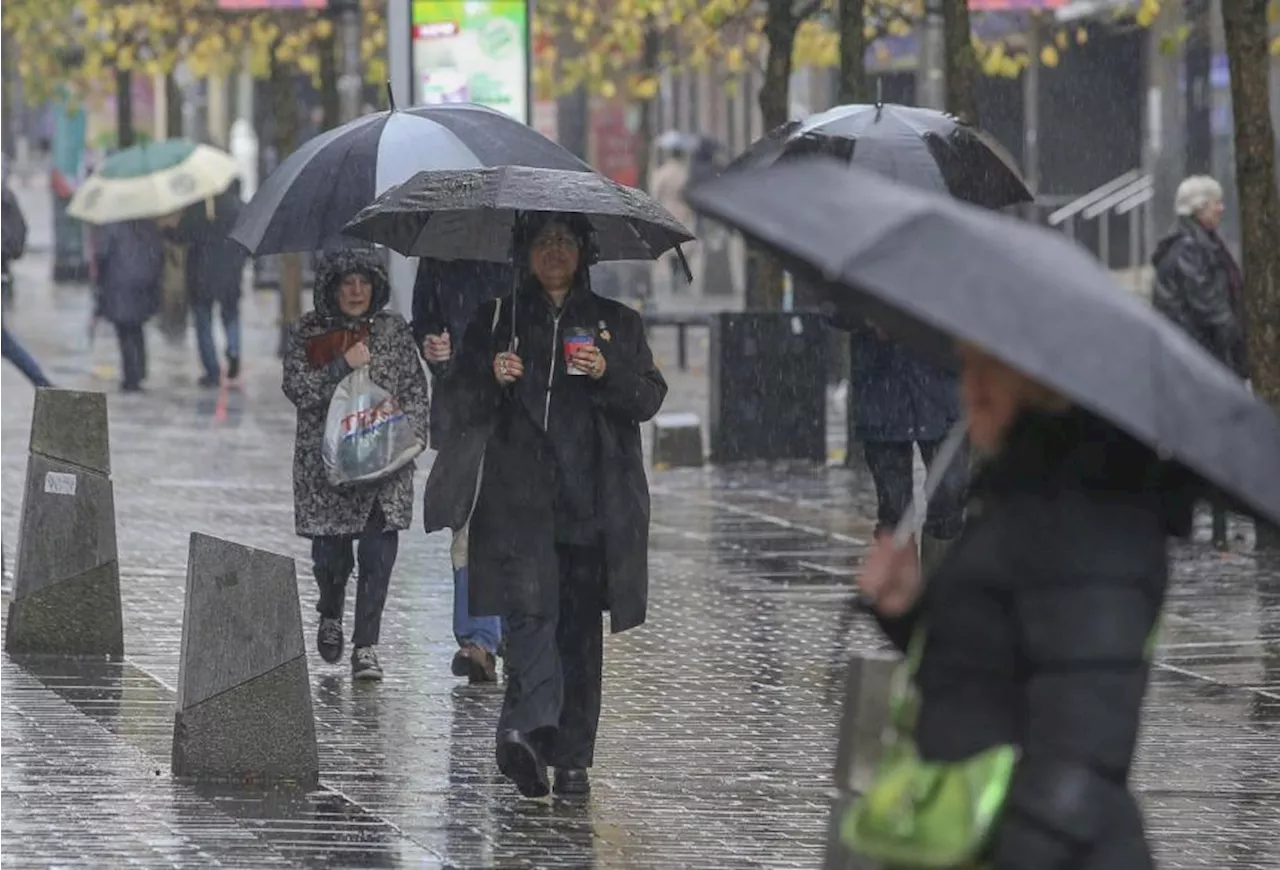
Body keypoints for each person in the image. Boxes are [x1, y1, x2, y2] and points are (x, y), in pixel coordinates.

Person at [858, 343, 1197, 870]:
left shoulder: (1095, 525)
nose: (972, 390)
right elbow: (990, 658)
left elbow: (1081, 748)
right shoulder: (1022, 492)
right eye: (967, 369)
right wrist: (906, 608)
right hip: (975, 829)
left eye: (991, 371)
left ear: (1048, 388)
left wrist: (1020, 851)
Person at [428, 213, 667, 797]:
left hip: (591, 506)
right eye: (542, 243)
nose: (554, 253)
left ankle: (573, 755)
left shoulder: (616, 323)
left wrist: (608, 372)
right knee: (530, 622)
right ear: (524, 253)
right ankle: (525, 736)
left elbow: (647, 397)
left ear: (583, 252)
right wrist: (491, 375)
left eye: (564, 242)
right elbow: (456, 404)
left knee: (579, 635)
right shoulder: (497, 319)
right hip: (517, 504)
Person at [282, 248, 430, 682]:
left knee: (377, 555)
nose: (356, 290)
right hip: (328, 471)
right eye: (347, 281)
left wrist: (412, 437)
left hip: (385, 466)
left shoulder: (392, 331)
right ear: (331, 285)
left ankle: (367, 646)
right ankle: (330, 613)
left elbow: (415, 390)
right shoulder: (310, 331)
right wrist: (339, 367)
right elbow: (297, 388)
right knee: (331, 556)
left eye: (364, 282)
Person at [411, 257, 513, 684]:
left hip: (521, 409)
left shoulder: (540, 238)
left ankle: (508, 633)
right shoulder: (443, 249)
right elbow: (426, 320)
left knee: (515, 525)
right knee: (468, 520)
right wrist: (434, 349)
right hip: (464, 409)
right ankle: (479, 639)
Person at [1151, 175, 1247, 550]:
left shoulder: (1190, 243)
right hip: (1201, 360)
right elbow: (1210, 307)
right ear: (1197, 208)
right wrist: (1236, 348)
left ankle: (1196, 529)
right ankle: (1205, 534)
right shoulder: (1192, 248)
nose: (1221, 209)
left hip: (1192, 359)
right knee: (1209, 448)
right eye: (1215, 203)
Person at [843, 317, 969, 574]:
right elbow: (836, 306)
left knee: (950, 496)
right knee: (894, 509)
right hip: (880, 393)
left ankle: (937, 588)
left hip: (940, 390)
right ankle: (901, 593)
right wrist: (868, 316)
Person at [167, 182, 249, 388]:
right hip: (230, 272)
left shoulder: (197, 208)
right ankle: (233, 350)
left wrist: (168, 230)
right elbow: (250, 239)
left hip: (200, 274)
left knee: (203, 322)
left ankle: (212, 371)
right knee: (230, 315)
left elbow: (181, 236)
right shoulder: (238, 207)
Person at [94, 220, 164, 393]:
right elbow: (158, 255)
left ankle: (131, 376)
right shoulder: (148, 227)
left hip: (119, 284)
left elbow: (102, 254)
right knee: (137, 329)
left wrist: (100, 282)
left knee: (125, 332)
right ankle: (139, 371)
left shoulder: (112, 227)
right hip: (143, 285)